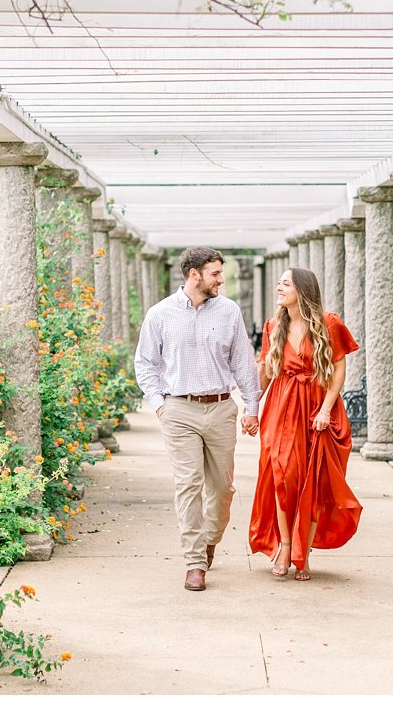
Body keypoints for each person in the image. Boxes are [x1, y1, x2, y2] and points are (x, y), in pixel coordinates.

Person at [134, 247, 262, 592]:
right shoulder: (160, 314)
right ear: (194, 275)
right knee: (188, 485)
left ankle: (209, 541)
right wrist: (161, 405)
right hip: (179, 410)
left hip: (220, 408)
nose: (221, 279)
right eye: (215, 273)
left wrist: (252, 408)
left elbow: (243, 363)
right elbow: (145, 363)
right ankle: (194, 562)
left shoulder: (229, 311)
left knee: (222, 489)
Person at [248, 267, 362, 581]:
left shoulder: (330, 324)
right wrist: (251, 409)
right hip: (282, 408)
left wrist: (326, 410)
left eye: (285, 283)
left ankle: (304, 552)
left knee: (314, 481)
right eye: (280, 282)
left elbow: (338, 371)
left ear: (302, 289)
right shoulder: (274, 325)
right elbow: (266, 372)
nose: (279, 287)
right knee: (283, 477)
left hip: (318, 408)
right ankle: (286, 546)